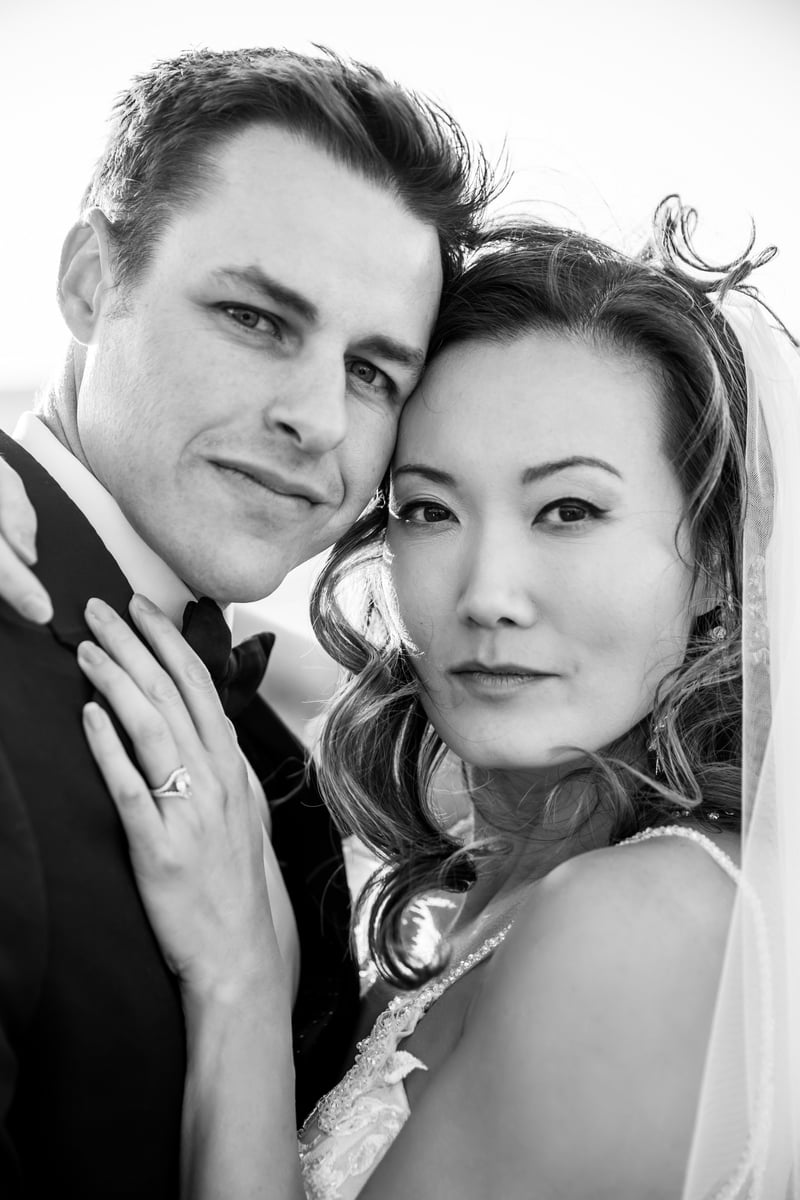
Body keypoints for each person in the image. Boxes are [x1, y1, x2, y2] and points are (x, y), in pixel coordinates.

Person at [3, 198, 791, 1198]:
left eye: (567, 510)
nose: (487, 594)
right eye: (428, 509)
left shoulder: (645, 926)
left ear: (716, 561)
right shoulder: (492, 899)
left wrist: (239, 984)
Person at [0, 45, 493, 1199]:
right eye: (256, 318)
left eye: (373, 373)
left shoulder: (251, 736)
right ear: (90, 282)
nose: (318, 420)